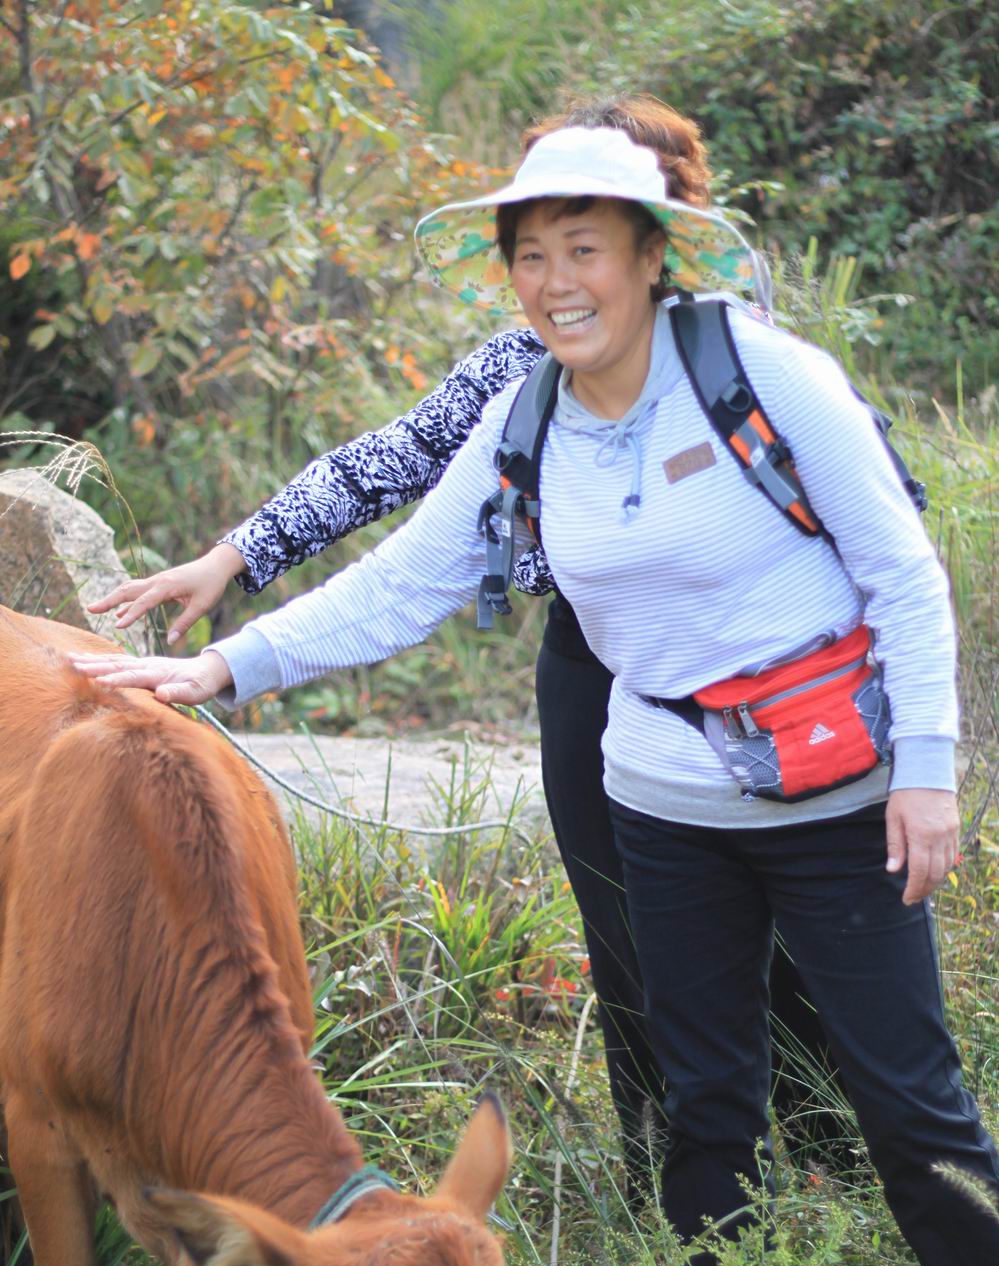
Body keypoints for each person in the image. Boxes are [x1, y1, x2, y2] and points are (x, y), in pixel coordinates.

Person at [88, 99, 850, 1196]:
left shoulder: (748, 359)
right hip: (596, 668)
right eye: (540, 236)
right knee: (627, 923)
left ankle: (833, 1166)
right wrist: (238, 556)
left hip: (771, 669)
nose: (563, 264)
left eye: (593, 227)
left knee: (791, 931)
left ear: (662, 221)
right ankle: (667, 1172)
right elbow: (393, 468)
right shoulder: (524, 367)